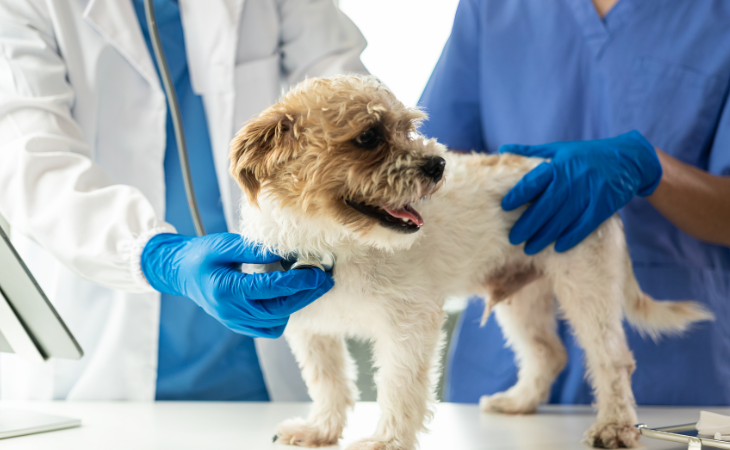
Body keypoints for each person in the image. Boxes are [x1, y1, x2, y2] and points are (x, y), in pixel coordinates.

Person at [0, 0, 366, 401]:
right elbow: (30, 158)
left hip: (263, 373)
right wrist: (160, 258)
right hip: (98, 369)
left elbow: (347, 96)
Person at [419, 0, 730, 405]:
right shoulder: (491, 8)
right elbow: (429, 171)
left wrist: (649, 166)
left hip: (669, 376)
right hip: (503, 360)